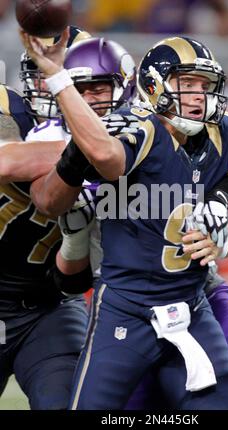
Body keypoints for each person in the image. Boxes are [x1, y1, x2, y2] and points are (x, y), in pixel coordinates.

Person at [22, 31, 228, 410]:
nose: (91, 100)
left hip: (197, 295)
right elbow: (68, 268)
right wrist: (75, 236)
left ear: (131, 86)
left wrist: (220, 224)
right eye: (79, 90)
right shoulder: (76, 137)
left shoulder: (195, 130)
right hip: (121, 303)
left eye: (100, 87)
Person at [0, 26, 92, 410]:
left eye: (70, 73)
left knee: (70, 401)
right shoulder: (8, 107)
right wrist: (98, 145)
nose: (53, 84)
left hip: (48, 306)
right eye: (44, 72)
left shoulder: (126, 128)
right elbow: (6, 160)